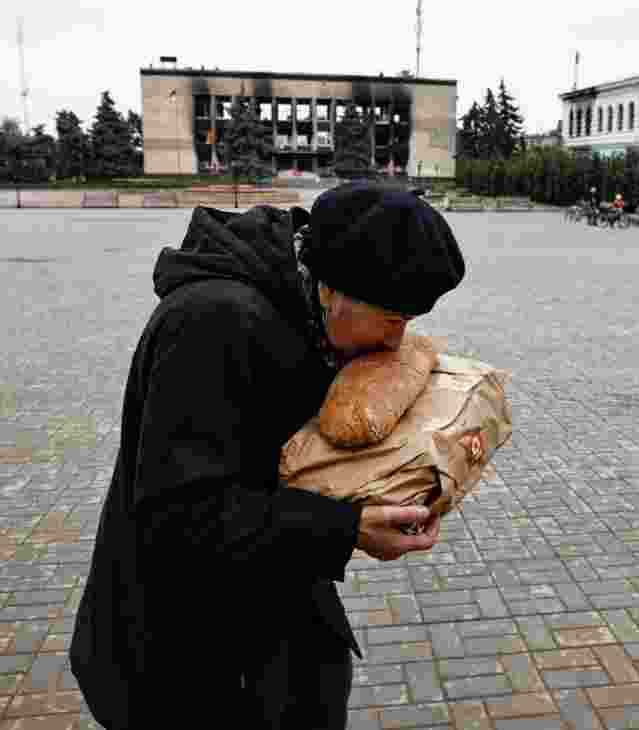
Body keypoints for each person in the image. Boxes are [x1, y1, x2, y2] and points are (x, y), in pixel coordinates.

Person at [69, 182, 466, 729]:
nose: (397, 342)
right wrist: (345, 527)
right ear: (333, 289)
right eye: (393, 319)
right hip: (183, 663)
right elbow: (180, 515)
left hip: (269, 633)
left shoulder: (303, 315)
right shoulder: (214, 324)